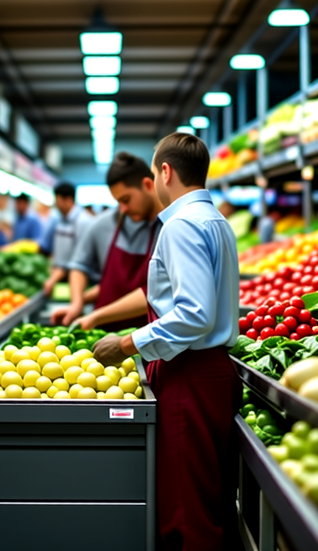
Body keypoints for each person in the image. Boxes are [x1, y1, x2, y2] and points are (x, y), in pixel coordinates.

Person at [90, 133, 242, 551]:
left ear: (165, 172)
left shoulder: (180, 225)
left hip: (188, 379)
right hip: (215, 374)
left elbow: (194, 313)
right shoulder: (217, 222)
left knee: (186, 515)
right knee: (211, 501)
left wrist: (126, 344)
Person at [51, 152, 162, 329]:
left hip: (146, 338)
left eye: (126, 199)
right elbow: (79, 266)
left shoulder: (169, 229)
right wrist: (77, 303)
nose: (123, 209)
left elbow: (156, 293)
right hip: (100, 332)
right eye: (118, 202)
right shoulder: (105, 223)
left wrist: (96, 316)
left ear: (147, 185)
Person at [42, 182, 94, 296]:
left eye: (57, 200)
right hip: (59, 275)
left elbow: (82, 259)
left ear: (68, 200)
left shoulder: (83, 221)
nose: (55, 204)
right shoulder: (58, 219)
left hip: (79, 279)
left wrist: (57, 275)